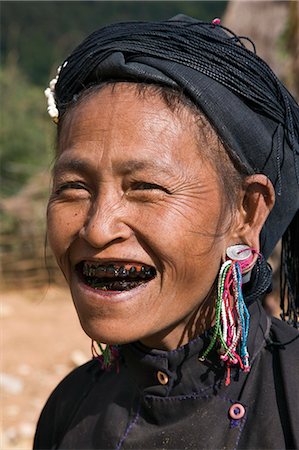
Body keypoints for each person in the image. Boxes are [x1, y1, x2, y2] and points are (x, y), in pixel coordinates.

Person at [35, 15, 299, 449]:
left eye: (145, 188)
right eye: (73, 187)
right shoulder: (70, 408)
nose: (98, 228)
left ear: (247, 214)